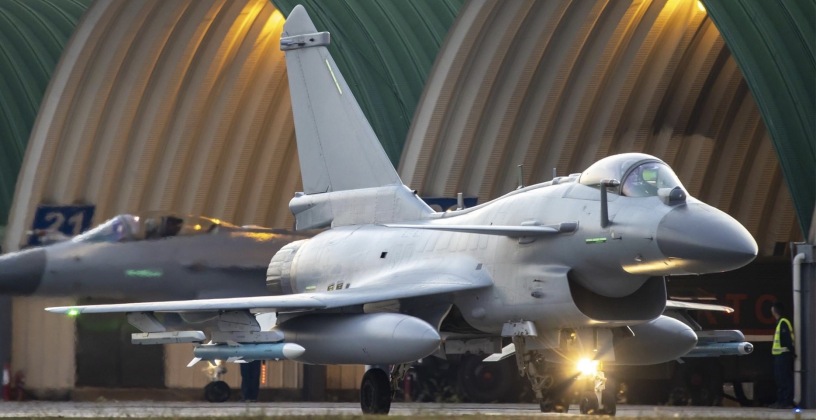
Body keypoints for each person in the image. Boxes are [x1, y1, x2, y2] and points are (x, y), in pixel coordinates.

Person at [769, 301, 795, 409]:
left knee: (784, 379)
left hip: (783, 355)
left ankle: (785, 402)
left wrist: (791, 353)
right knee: (780, 379)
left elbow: (787, 340)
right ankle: (781, 401)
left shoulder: (783, 322)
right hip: (780, 355)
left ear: (775, 311)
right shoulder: (781, 322)